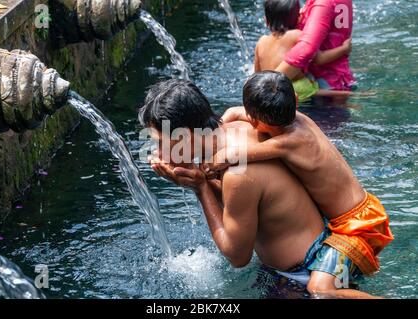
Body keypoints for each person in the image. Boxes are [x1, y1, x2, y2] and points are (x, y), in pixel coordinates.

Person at [139, 79, 380, 298]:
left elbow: (237, 257)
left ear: (187, 135)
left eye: (160, 143)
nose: (158, 153)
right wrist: (199, 175)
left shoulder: (237, 172)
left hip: (305, 275)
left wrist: (200, 187)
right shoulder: (243, 128)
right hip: (321, 251)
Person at [205, 71, 394, 296]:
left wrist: (203, 159)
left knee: (320, 290)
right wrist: (226, 121)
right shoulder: (300, 119)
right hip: (355, 216)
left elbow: (231, 156)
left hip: (355, 228)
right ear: (295, 99)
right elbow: (235, 112)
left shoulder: (290, 142)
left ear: (254, 120)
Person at [256, 0, 352, 102]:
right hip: (293, 91)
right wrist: (344, 49)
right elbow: (319, 58)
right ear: (299, 18)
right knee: (339, 98)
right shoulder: (297, 35)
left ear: (266, 20)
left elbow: (256, 75)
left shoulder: (261, 41)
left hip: (266, 92)